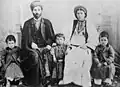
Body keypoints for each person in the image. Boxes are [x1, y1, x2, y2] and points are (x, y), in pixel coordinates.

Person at [63, 5, 99, 87]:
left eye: (81, 13)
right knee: (69, 57)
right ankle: (69, 80)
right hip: (72, 46)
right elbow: (66, 35)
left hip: (84, 47)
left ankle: (81, 82)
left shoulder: (89, 24)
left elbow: (94, 37)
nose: (79, 15)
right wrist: (68, 44)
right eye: (78, 13)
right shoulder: (72, 23)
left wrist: (87, 45)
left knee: (84, 58)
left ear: (85, 14)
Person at [21, 0, 55, 86]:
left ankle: (46, 80)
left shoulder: (47, 22)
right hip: (31, 48)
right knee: (35, 56)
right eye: (35, 10)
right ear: (32, 11)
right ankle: (36, 82)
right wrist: (30, 43)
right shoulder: (27, 23)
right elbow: (24, 40)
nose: (37, 12)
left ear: (41, 10)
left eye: (38, 10)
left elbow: (51, 37)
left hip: (44, 46)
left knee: (48, 55)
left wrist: (48, 44)